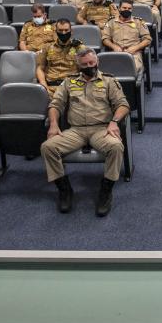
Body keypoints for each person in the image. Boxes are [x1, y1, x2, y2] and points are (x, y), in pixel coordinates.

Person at [41, 47, 129, 216]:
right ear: (78, 66)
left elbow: (123, 105)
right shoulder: (69, 82)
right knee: (48, 147)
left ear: (97, 62)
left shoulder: (109, 81)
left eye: (92, 62)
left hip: (101, 128)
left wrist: (114, 122)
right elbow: (55, 105)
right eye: (85, 64)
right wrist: (53, 123)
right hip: (76, 130)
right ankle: (64, 189)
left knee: (116, 147)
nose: (90, 66)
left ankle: (106, 190)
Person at [102, 0, 152, 75]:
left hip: (134, 54)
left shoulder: (138, 22)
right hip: (116, 53)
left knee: (133, 69)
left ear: (132, 10)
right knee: (109, 72)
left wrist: (135, 48)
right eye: (124, 8)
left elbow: (148, 39)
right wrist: (113, 46)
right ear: (119, 8)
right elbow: (105, 38)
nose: (127, 10)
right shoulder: (111, 22)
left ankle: (135, 86)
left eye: (129, 8)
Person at [37, 19, 85, 95]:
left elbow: (87, 68)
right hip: (50, 87)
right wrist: (43, 85)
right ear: (56, 31)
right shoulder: (47, 47)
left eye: (66, 30)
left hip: (72, 87)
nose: (63, 33)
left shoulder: (78, 47)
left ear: (71, 31)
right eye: (60, 30)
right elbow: (40, 68)